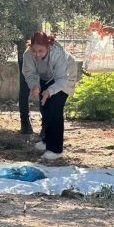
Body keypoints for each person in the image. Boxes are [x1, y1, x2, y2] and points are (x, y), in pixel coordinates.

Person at [22, 32, 77, 160]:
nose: (37, 54)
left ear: (48, 47)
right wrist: (35, 86)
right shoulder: (28, 54)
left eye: (41, 51)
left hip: (64, 76)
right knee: (45, 108)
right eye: (34, 51)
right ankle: (47, 140)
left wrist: (49, 91)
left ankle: (56, 149)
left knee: (55, 109)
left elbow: (62, 78)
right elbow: (29, 73)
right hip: (46, 77)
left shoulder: (58, 54)